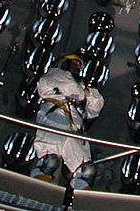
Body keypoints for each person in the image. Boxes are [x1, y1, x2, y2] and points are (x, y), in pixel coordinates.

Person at [31, 54, 104, 190]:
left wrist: (84, 92)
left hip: (75, 129)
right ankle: (35, 192)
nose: (76, 67)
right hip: (55, 119)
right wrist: (84, 94)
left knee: (87, 171)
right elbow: (69, 86)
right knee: (50, 161)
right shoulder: (54, 74)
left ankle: (78, 202)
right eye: (74, 63)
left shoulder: (81, 86)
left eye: (79, 66)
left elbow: (96, 106)